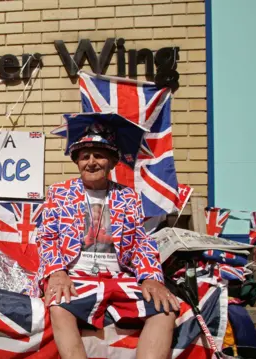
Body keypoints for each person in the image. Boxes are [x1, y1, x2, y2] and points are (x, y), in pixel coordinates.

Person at [38, 118, 180, 359]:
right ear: (77, 162)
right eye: (85, 156)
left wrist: (151, 277)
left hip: (118, 276)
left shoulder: (129, 197)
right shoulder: (59, 193)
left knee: (164, 311)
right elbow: (47, 237)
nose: (91, 162)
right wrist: (57, 272)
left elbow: (140, 242)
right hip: (75, 276)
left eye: (99, 155)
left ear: (113, 161)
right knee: (59, 307)